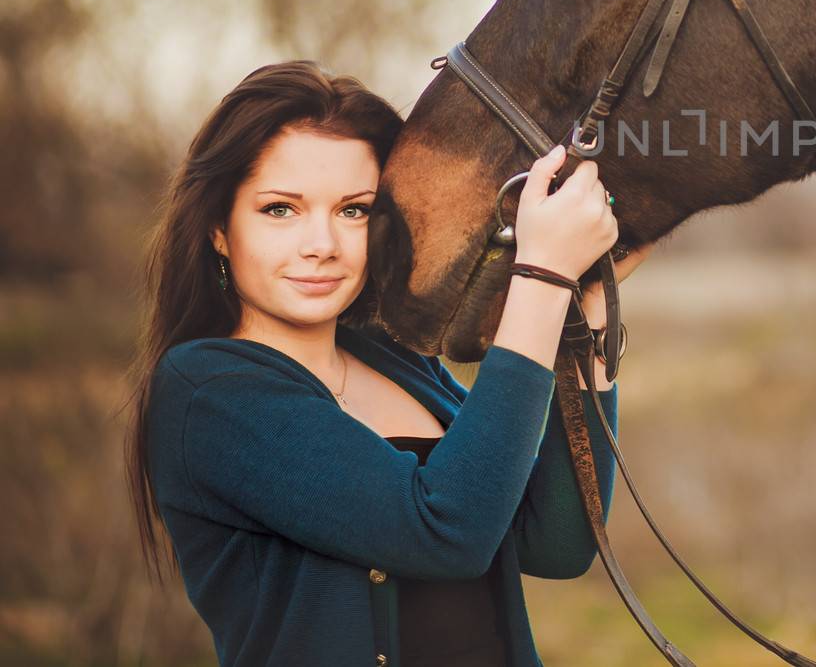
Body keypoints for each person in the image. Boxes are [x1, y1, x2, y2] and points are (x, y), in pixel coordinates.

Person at [122, 60, 647, 667]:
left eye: (354, 210)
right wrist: (541, 278)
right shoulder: (208, 392)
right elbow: (446, 532)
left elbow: (556, 542)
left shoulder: (394, 358)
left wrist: (584, 315)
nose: (321, 245)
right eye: (279, 209)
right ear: (219, 227)